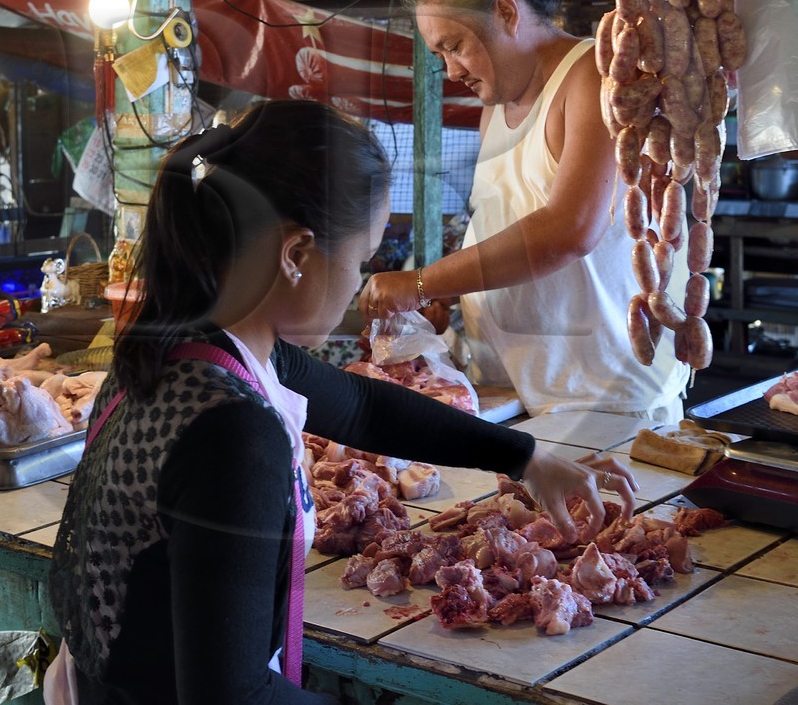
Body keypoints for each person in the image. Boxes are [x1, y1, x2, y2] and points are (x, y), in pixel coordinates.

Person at [48, 100, 635, 704]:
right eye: (361, 260)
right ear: (296, 254)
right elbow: (230, 697)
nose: (360, 281)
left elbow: (362, 406)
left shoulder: (189, 345)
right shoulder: (230, 431)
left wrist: (527, 458)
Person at [359, 0, 689, 421]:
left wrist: (422, 282)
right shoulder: (494, 109)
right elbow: (509, 225)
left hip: (605, 398)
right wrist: (452, 301)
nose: (451, 71)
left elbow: (568, 230)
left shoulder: (590, 78)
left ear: (507, 12)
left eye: (455, 46)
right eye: (440, 55)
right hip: (516, 391)